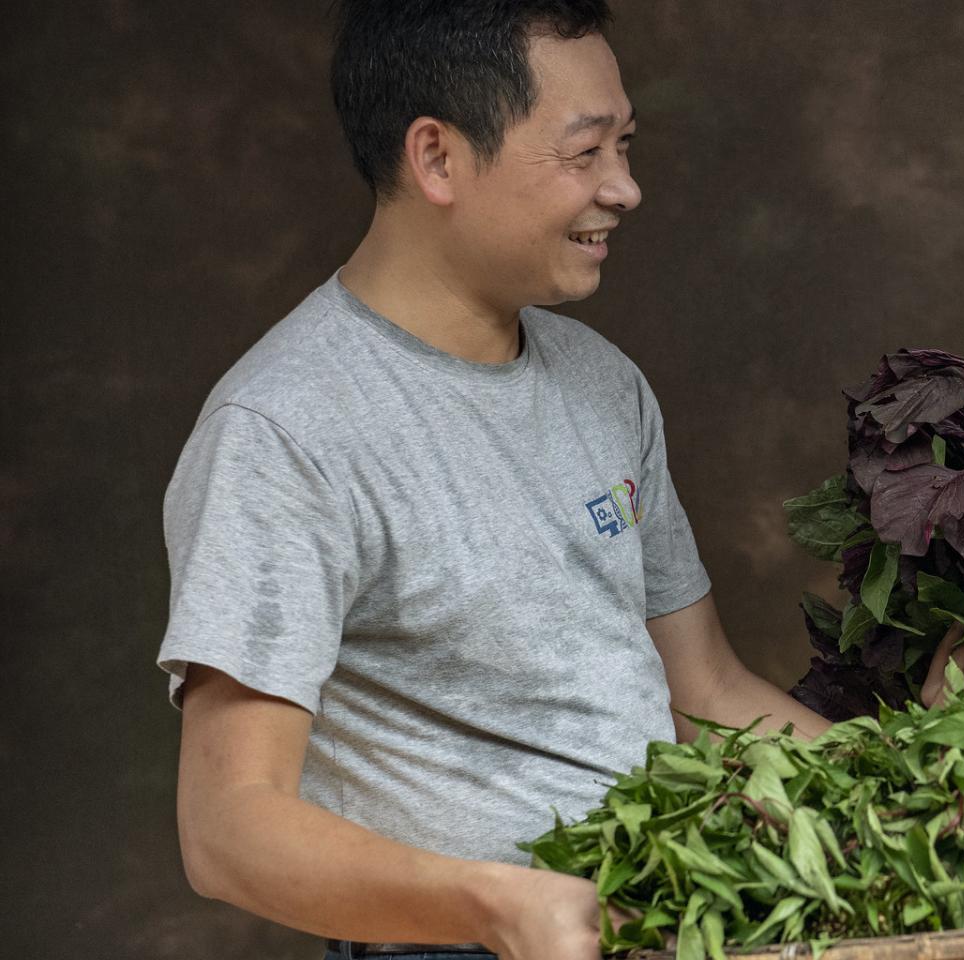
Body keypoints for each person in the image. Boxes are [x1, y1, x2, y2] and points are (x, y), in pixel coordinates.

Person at [156, 3, 828, 959]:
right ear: (437, 158)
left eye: (625, 146)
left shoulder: (604, 384)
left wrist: (927, 780)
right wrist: (499, 909)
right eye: (585, 152)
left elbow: (705, 691)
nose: (625, 188)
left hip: (662, 917)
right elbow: (227, 829)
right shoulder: (283, 432)